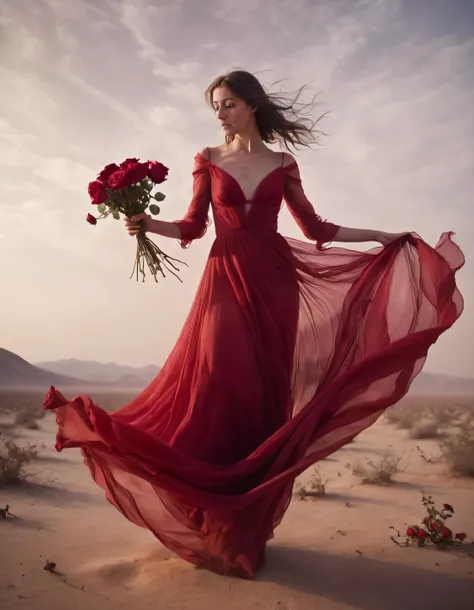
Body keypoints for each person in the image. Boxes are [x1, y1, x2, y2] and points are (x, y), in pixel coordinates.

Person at [45, 70, 464, 579]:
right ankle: (207, 514)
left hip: (277, 283)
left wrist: (382, 235)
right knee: (219, 388)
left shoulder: (283, 162)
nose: (219, 115)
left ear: (251, 106)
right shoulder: (208, 159)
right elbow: (195, 226)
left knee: (262, 399)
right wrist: (147, 224)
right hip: (225, 281)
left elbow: (316, 229)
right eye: (216, 107)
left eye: (226, 105)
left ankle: (243, 529)